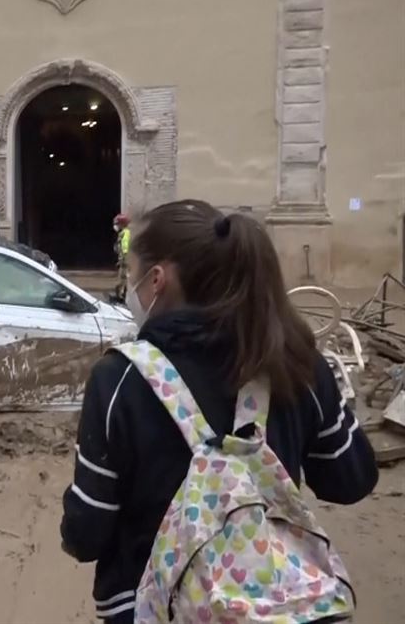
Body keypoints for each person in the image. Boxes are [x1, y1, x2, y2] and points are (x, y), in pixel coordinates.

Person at [59, 200, 378, 623]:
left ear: (158, 280)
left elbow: (87, 534)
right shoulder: (296, 362)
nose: (129, 286)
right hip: (278, 607)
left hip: (154, 606)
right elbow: (350, 480)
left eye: (132, 272)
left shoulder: (120, 379)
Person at [112, 213, 131, 302]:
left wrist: (123, 259)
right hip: (124, 259)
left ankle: (120, 296)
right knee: (123, 278)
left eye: (117, 224)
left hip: (125, 259)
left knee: (122, 277)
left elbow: (125, 247)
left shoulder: (125, 233)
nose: (115, 226)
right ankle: (121, 294)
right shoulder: (123, 233)